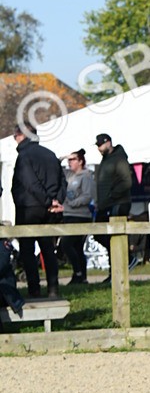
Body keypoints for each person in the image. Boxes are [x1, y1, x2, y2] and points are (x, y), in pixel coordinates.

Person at [10, 124, 65, 299]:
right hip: (49, 209)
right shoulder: (50, 154)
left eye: (16, 135)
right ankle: (53, 288)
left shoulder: (24, 156)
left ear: (22, 135)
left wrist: (48, 201)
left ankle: (34, 289)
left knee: (27, 250)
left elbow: (30, 183)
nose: (14, 138)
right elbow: (62, 180)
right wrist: (56, 201)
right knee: (47, 248)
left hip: (29, 208)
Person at [51, 149, 96, 285]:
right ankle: (81, 277)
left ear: (81, 161)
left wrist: (71, 204)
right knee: (76, 247)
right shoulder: (70, 176)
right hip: (69, 215)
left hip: (80, 216)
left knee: (66, 244)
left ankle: (78, 272)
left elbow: (87, 196)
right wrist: (63, 157)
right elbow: (55, 166)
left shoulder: (86, 176)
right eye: (69, 160)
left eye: (73, 160)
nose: (70, 163)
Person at [94, 133, 133, 283]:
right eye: (97, 145)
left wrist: (112, 195)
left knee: (114, 237)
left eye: (100, 145)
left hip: (117, 204)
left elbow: (127, 181)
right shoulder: (105, 160)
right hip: (106, 204)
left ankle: (124, 263)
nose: (99, 148)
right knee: (100, 234)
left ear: (108, 143)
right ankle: (121, 264)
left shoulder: (119, 158)